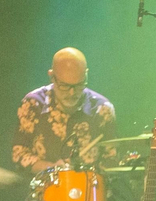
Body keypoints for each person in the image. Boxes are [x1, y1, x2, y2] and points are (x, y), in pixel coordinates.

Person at [11, 46, 117, 174]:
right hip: (45, 191)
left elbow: (111, 159)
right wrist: (52, 168)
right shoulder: (33, 104)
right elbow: (19, 154)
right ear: (51, 76)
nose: (72, 93)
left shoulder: (102, 109)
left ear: (86, 75)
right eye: (64, 86)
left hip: (90, 190)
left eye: (78, 85)